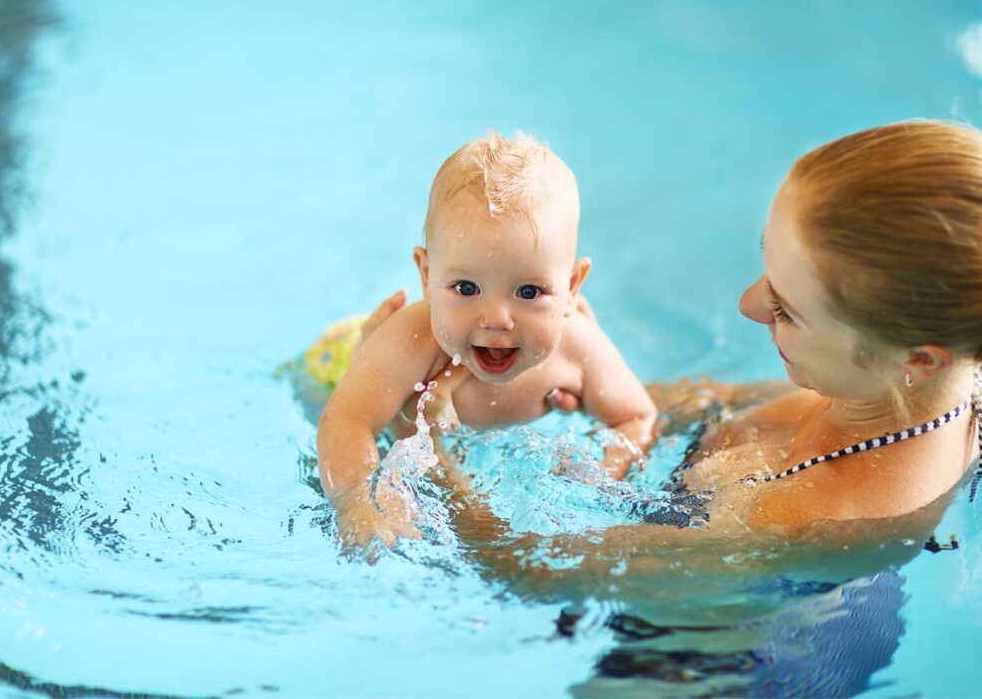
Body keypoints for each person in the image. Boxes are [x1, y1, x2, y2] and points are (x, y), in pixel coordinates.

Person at [358, 120, 982, 578]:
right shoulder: (897, 388)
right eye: (766, 264)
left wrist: (418, 439)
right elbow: (689, 407)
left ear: (918, 360)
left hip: (702, 665)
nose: (748, 303)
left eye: (786, 309)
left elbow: (525, 569)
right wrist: (555, 365)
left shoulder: (816, 520)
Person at [316, 132, 658, 548]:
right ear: (427, 276)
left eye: (529, 292)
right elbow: (347, 419)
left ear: (571, 288)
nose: (496, 319)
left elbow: (636, 417)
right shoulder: (412, 341)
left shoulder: (577, 347)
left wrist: (604, 474)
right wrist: (356, 504)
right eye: (466, 288)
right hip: (336, 362)